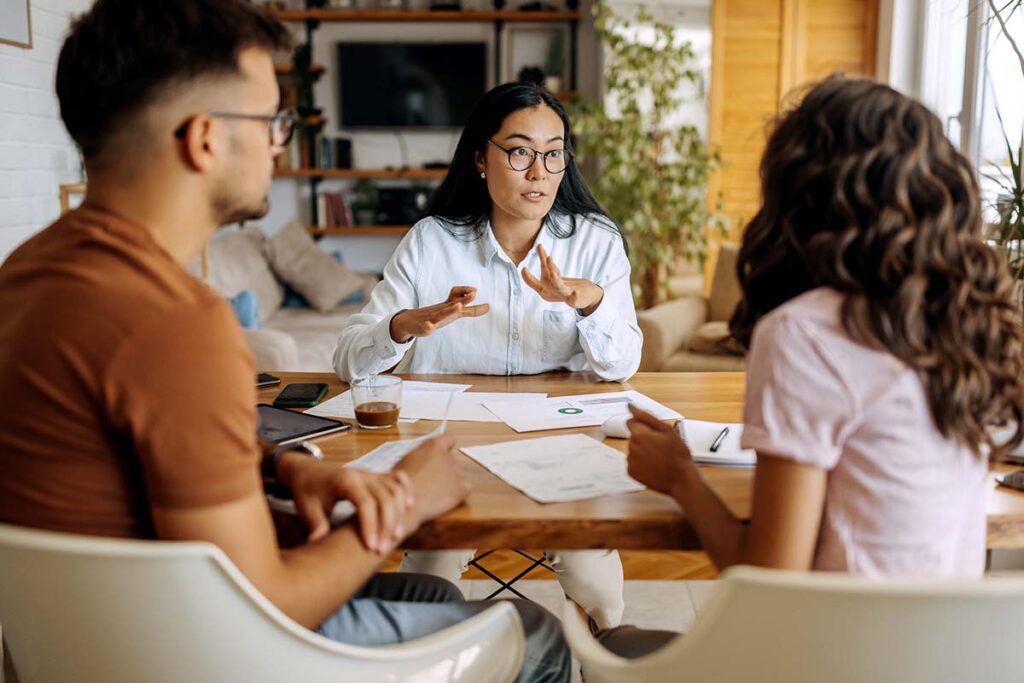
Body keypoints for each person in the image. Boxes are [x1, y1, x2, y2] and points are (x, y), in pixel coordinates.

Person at [0, 2, 569, 680]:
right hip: (190, 653)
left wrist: (277, 465)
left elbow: (133, 453)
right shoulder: (175, 323)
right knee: (536, 633)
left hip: (84, 639)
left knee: (435, 593)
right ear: (205, 139)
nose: (280, 142)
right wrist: (410, 498)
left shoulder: (27, 273)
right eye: (273, 119)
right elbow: (260, 604)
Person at [607, 75, 1024, 657]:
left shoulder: (807, 330)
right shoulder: (963, 320)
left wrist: (680, 477)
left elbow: (773, 586)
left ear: (801, 190)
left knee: (590, 644)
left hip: (832, 661)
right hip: (945, 661)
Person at [333, 82, 643, 628]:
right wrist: (406, 325)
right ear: (481, 157)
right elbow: (349, 362)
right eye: (520, 151)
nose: (539, 171)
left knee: (594, 577)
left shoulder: (596, 240)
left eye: (553, 154)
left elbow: (621, 367)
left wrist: (587, 301)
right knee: (429, 574)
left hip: (560, 446)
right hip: (451, 449)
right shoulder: (431, 241)